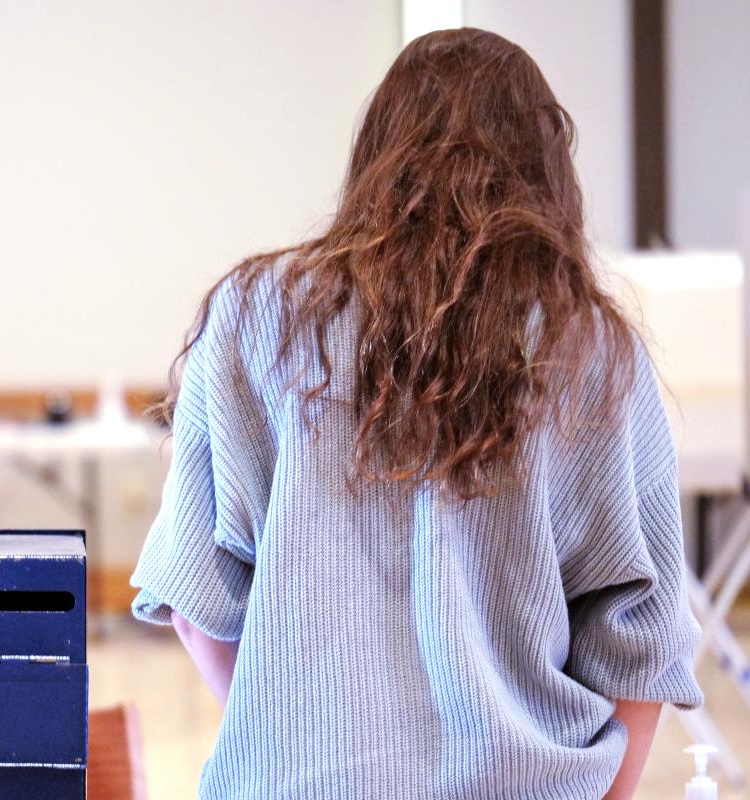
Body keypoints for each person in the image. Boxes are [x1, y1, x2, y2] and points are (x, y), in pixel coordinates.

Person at [130, 27, 702, 800]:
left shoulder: (250, 318)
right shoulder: (593, 352)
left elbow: (197, 605)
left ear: (378, 155)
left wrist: (292, 740)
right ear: (545, 173)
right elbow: (643, 640)